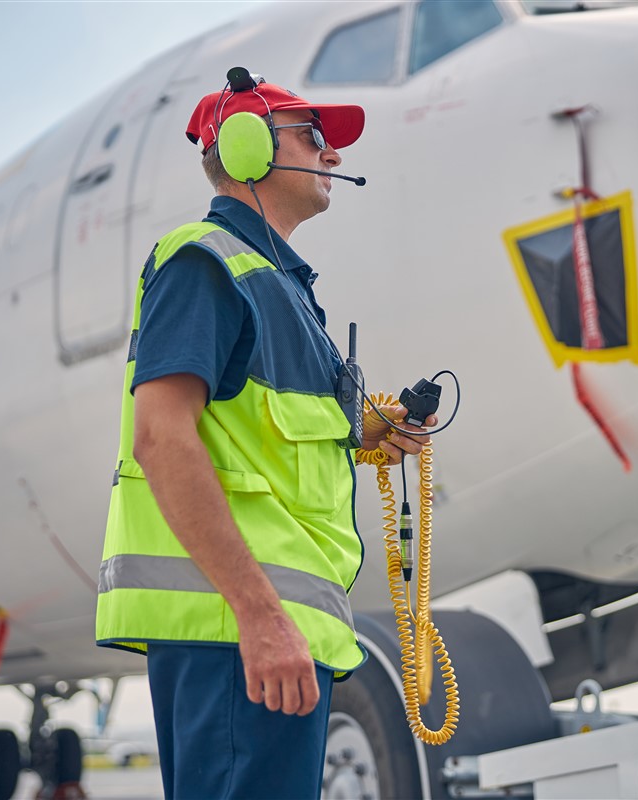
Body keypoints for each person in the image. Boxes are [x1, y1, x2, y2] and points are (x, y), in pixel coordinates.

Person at [94, 72, 434, 800]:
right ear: (248, 148)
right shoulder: (205, 264)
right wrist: (260, 617)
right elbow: (161, 437)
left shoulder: (282, 289)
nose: (332, 155)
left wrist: (370, 430)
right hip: (238, 634)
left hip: (272, 634)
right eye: (313, 136)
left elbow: (268, 442)